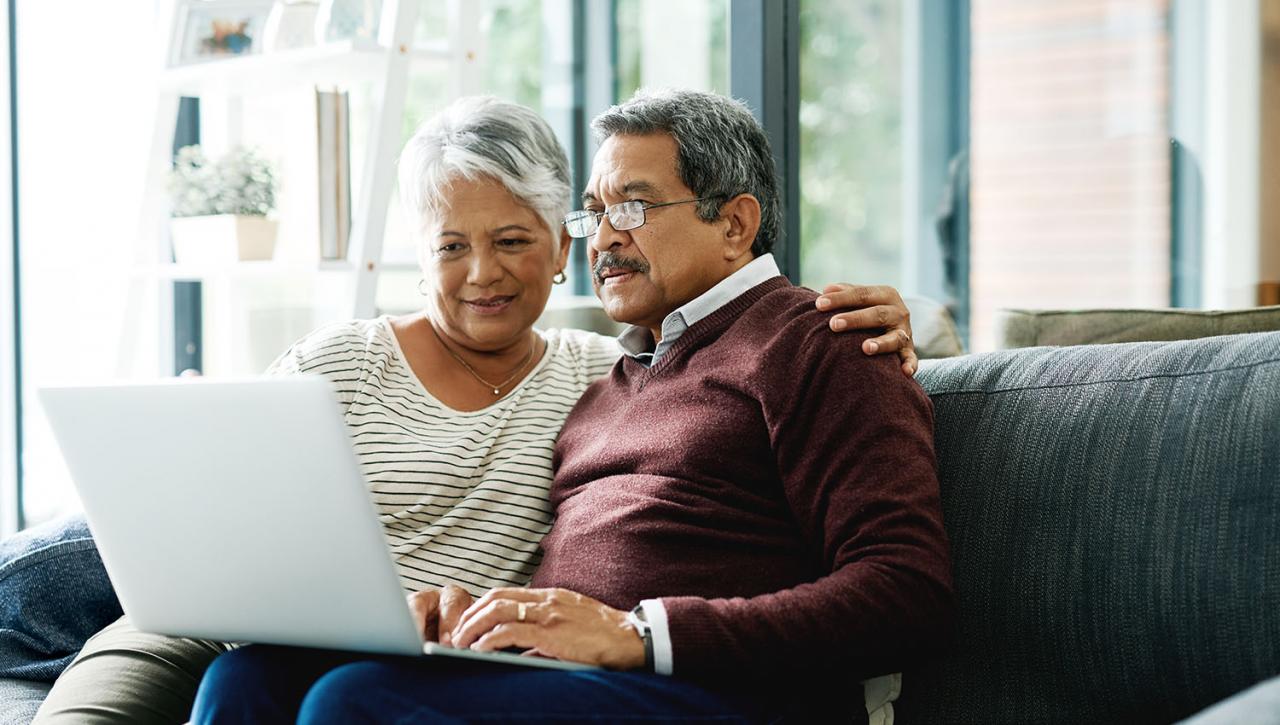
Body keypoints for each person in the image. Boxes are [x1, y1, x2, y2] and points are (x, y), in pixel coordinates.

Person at [0, 95, 918, 724]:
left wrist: (638, 634)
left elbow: (906, 589)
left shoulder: (819, 340)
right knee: (244, 675)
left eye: (629, 209)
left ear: (735, 223)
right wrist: (464, 615)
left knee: (351, 703)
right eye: (597, 213)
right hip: (509, 656)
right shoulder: (623, 375)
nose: (604, 238)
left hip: (705, 686)